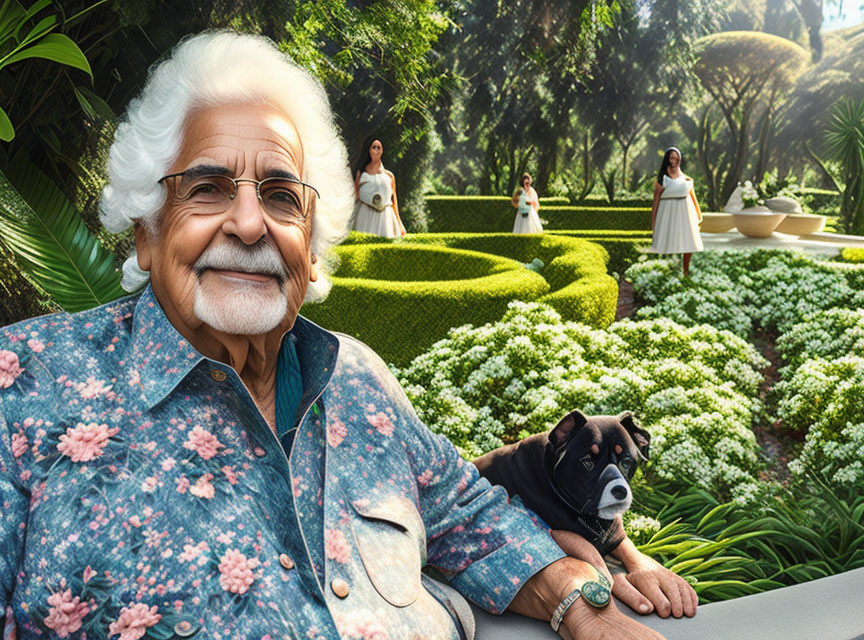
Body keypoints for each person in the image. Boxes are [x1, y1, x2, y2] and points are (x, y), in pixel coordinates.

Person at [0, 32, 674, 640]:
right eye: (206, 188)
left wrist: (588, 606)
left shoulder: (359, 380)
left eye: (281, 195)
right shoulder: (23, 386)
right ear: (146, 233)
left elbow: (475, 518)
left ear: (313, 250)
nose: (247, 223)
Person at [650, 147, 704, 276]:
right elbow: (655, 202)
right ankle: (669, 271)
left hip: (685, 213)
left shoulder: (687, 180)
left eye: (677, 158)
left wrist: (699, 215)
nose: (675, 160)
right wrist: (653, 221)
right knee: (668, 242)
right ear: (667, 159)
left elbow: (693, 198)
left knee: (688, 242)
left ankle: (686, 271)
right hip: (667, 214)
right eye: (672, 157)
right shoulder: (661, 180)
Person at [351, 135, 406, 237]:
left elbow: (394, 201)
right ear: (369, 150)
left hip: (385, 217)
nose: (376, 150)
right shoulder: (361, 173)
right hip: (365, 215)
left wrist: (399, 223)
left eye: (379, 147)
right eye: (374, 147)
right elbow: (355, 196)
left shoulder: (389, 176)